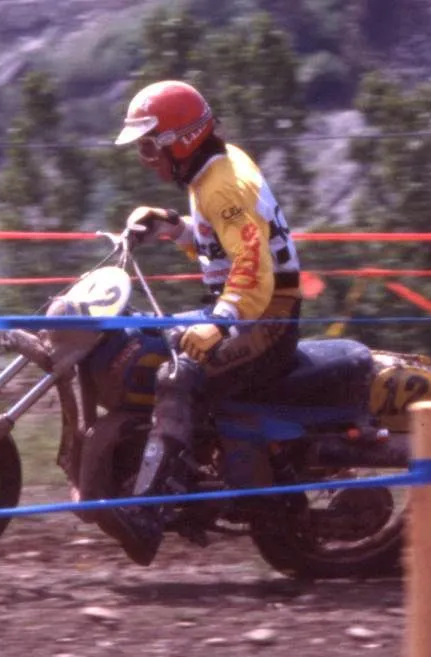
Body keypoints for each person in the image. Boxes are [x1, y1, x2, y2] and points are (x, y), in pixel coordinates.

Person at [106, 79, 305, 567]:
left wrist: (222, 324)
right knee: (139, 337)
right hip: (246, 305)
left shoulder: (223, 185)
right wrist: (171, 227)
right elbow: (217, 245)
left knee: (179, 374)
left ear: (181, 140)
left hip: (268, 314)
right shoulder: (210, 172)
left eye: (150, 146)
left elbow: (252, 267)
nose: (146, 158)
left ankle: (150, 512)